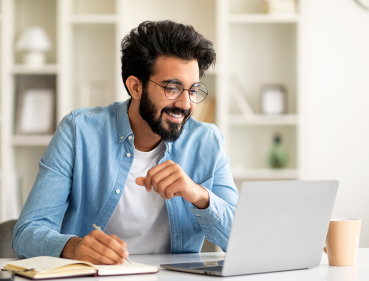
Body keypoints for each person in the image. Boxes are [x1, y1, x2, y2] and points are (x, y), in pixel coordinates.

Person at [12, 20, 239, 265]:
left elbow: (241, 240)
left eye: (192, 90)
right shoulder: (80, 131)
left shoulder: (207, 141)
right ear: (135, 86)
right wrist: (73, 247)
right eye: (172, 88)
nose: (185, 104)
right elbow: (27, 233)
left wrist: (199, 195)